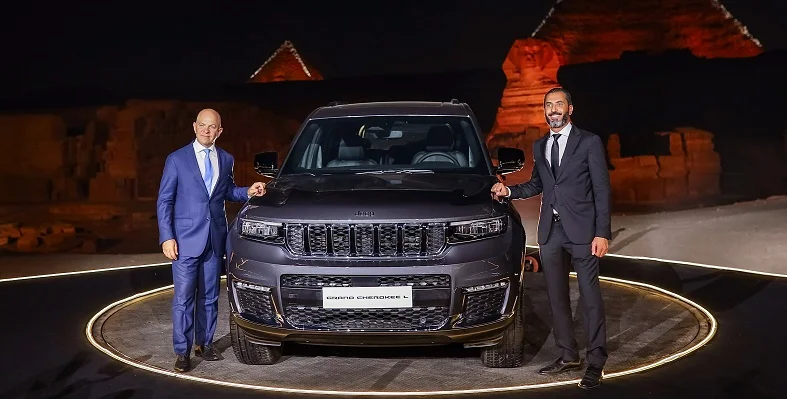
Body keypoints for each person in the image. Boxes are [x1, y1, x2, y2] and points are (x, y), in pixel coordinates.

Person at [491, 87, 611, 389]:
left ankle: (596, 361)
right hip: (551, 232)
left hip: (584, 232)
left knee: (590, 297)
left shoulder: (589, 142)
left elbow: (601, 190)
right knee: (557, 297)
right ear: (545, 111)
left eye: (559, 104)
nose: (553, 109)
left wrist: (602, 233)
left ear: (570, 109)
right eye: (548, 105)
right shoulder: (540, 145)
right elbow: (536, 185)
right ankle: (568, 354)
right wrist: (509, 191)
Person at [156, 108, 266, 372]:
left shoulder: (226, 159)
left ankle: (204, 344)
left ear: (220, 131)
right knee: (183, 299)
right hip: (183, 241)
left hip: (215, 239)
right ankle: (182, 352)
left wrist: (248, 191)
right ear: (194, 127)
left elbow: (227, 191)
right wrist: (167, 237)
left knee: (209, 297)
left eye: (212, 127)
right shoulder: (176, 159)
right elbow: (165, 200)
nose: (207, 131)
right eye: (203, 126)